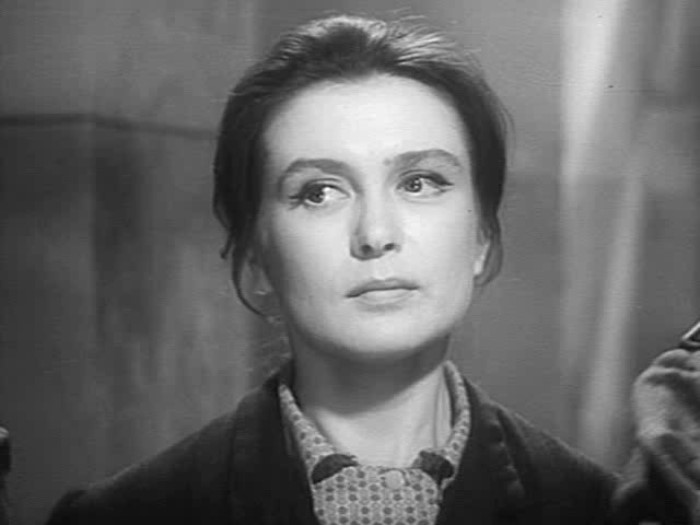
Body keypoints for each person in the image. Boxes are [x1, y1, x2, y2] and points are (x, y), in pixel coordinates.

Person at [46, 14, 699, 525]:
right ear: (255, 256)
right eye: (319, 192)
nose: (376, 234)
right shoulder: (123, 515)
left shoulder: (598, 510)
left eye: (420, 182)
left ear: (481, 237)